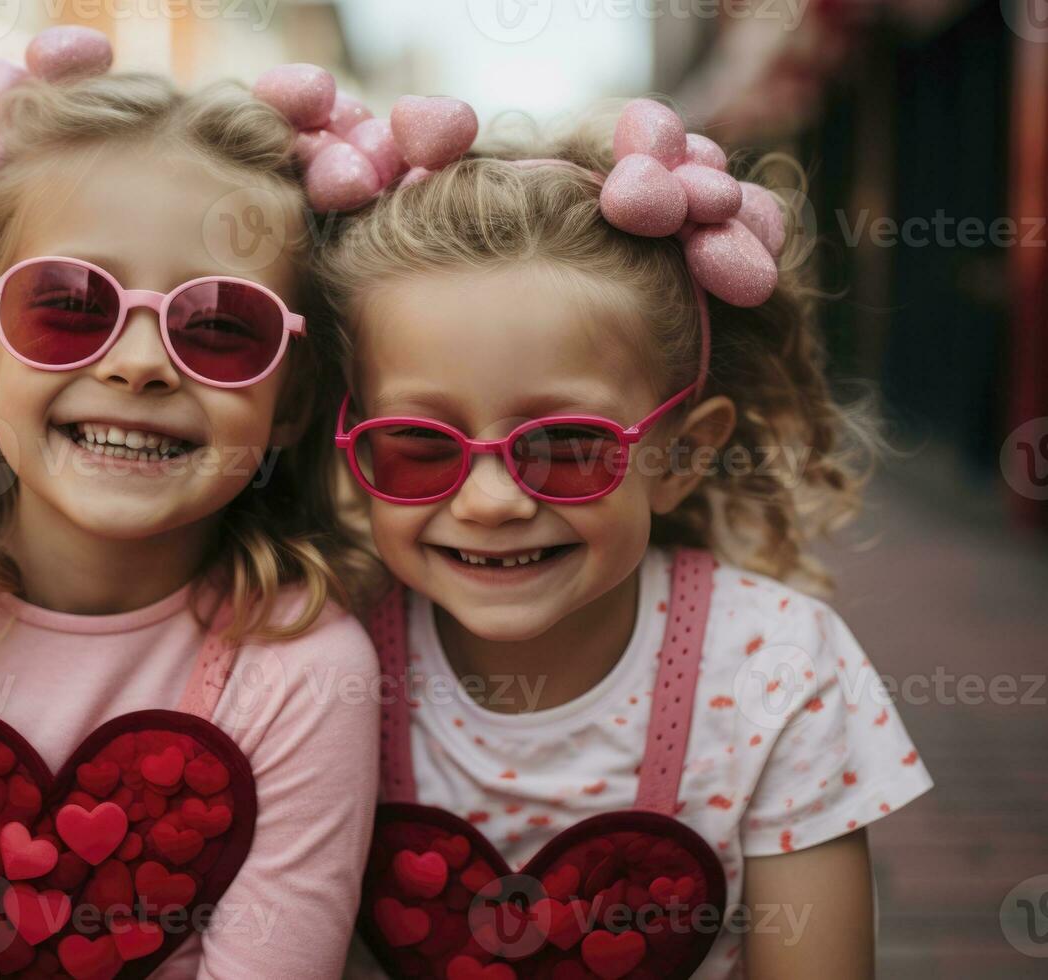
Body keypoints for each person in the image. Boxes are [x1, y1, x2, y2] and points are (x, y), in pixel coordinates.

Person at [0, 29, 380, 980]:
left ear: (289, 401)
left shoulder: (306, 669)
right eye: (71, 305)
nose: (135, 364)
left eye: (219, 328)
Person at [300, 89, 932, 977]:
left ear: (680, 456)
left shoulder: (779, 667)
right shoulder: (318, 653)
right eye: (417, 445)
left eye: (564, 447)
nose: (488, 502)